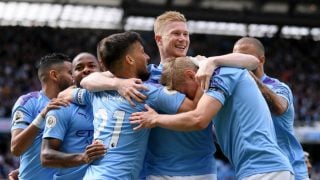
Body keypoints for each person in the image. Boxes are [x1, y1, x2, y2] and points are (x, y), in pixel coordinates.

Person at [80, 11, 259, 180]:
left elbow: (252, 61)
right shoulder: (144, 76)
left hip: (201, 169)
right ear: (159, 38)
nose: (182, 39)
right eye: (176, 33)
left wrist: (213, 60)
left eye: (185, 34)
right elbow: (88, 81)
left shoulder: (203, 67)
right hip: (158, 172)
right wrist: (117, 83)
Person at [59, 31, 201, 179]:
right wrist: (205, 70)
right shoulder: (146, 92)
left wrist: (115, 83)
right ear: (130, 59)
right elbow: (194, 108)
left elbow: (64, 95)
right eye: (142, 52)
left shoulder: (96, 92)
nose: (147, 57)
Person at [130, 56, 294, 180]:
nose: (189, 99)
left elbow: (199, 119)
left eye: (186, 92)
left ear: (191, 75)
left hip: (264, 169)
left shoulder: (219, 74)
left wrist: (155, 119)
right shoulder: (221, 77)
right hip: (259, 168)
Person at [233, 37, 309, 180]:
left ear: (261, 60)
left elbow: (279, 107)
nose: (239, 61)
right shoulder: (235, 91)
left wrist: (250, 79)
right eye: (236, 56)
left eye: (244, 57)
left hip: (290, 169)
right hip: (253, 169)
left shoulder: (278, 87)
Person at [40, 53, 107, 179]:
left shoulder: (111, 103)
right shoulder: (61, 107)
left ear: (101, 70)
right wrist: (82, 157)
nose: (86, 70)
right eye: (79, 68)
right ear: (72, 76)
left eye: (92, 66)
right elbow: (46, 156)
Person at [10, 53, 73, 180]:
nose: (74, 77)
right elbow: (16, 148)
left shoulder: (77, 104)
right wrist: (42, 116)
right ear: (54, 75)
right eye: (70, 72)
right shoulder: (28, 102)